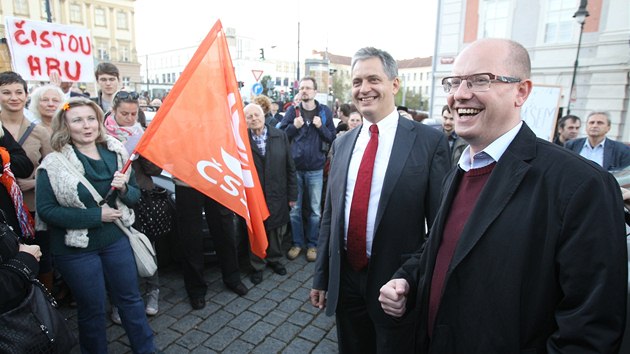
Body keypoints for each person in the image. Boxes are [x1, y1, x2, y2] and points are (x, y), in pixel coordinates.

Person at [379, 38, 627, 353]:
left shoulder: (581, 185)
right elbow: (445, 248)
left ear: (521, 91)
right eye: (454, 82)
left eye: (480, 80)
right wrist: (409, 280)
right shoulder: (461, 169)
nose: (460, 94)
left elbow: (590, 330)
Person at [310, 47, 450, 353]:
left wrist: (412, 280)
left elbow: (441, 225)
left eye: (374, 79)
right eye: (357, 81)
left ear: (394, 85)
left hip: (396, 283)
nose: (364, 89)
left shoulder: (429, 142)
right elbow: (330, 216)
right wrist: (322, 275)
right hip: (346, 278)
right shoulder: (342, 142)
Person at [36, 97, 156, 353]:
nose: (86, 125)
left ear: (99, 122)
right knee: (92, 310)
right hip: (75, 250)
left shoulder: (117, 152)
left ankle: (146, 349)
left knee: (131, 300)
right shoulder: (53, 164)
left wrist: (124, 187)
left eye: (91, 118)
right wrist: (95, 216)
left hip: (116, 239)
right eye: (77, 120)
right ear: (65, 125)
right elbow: (46, 211)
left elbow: (134, 197)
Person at [104, 90, 163, 320]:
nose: (129, 118)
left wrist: (146, 152)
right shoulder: (101, 133)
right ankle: (120, 300)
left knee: (146, 245)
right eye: (124, 113)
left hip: (140, 196)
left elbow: (155, 171)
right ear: (114, 111)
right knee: (118, 251)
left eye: (133, 113)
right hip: (112, 199)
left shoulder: (141, 133)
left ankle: (153, 290)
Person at [0, 72, 54, 290]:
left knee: (42, 254)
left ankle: (44, 299)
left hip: (31, 207)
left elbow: (51, 169)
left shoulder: (40, 131)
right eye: (6, 92)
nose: (13, 97)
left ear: (26, 95)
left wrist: (34, 183)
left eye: (18, 92)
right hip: (4, 209)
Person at [279, 76, 336, 262]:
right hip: (295, 169)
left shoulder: (324, 112)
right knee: (294, 210)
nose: (304, 90)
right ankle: (297, 244)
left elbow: (332, 138)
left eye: (308, 88)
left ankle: (312, 245)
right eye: (302, 87)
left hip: (315, 170)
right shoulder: (292, 111)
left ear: (315, 91)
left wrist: (320, 127)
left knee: (315, 211)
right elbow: (282, 135)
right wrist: (293, 128)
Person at [243, 103, 297, 284]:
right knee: (257, 231)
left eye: (256, 114)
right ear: (245, 121)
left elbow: (290, 167)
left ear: (263, 115)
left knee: (276, 230)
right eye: (249, 116)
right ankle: (257, 265)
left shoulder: (279, 136)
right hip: (254, 195)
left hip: (277, 192)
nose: (253, 119)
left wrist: (292, 195)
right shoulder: (242, 141)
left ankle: (274, 259)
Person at [175, 183, 250, 308]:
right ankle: (195, 288)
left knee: (225, 230)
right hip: (186, 179)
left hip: (215, 177)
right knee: (191, 235)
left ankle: (232, 278)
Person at [565, 111, 630, 171]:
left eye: (600, 123)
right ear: (586, 126)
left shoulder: (621, 150)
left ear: (608, 128)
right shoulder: (571, 145)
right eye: (591, 122)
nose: (594, 126)